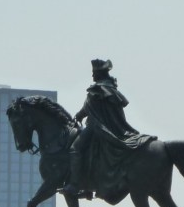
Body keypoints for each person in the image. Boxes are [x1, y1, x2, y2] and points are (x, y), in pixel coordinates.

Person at [62, 59, 155, 198]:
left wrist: (78, 116)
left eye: (94, 73)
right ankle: (87, 186)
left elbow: (88, 107)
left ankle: (75, 184)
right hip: (114, 128)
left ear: (99, 73)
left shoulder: (98, 90)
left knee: (75, 149)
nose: (92, 76)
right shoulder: (111, 89)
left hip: (97, 127)